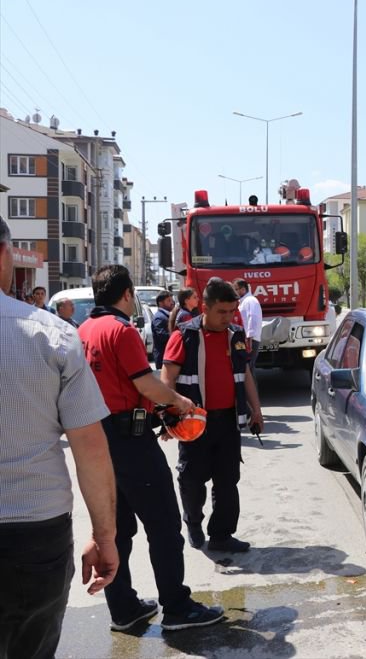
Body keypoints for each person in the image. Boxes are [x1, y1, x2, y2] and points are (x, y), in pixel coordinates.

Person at [77, 264, 224, 632]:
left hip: (97, 441)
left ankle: (124, 609)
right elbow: (146, 384)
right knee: (163, 525)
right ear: (127, 294)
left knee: (117, 530)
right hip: (131, 443)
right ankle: (176, 606)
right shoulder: (121, 330)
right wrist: (181, 403)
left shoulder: (82, 331)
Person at [0, 215, 118, 658]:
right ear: (4, 255)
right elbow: (90, 449)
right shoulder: (51, 337)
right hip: (35, 537)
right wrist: (105, 536)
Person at [161, 279, 264, 554]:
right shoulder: (184, 335)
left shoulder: (236, 334)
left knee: (228, 481)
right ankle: (193, 522)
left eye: (232, 311)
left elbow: (247, 376)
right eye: (222, 312)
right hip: (194, 423)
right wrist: (168, 416)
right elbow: (167, 378)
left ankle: (221, 535)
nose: (228, 318)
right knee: (193, 480)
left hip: (228, 422)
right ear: (204, 308)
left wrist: (256, 410)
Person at [233, 279, 263, 372]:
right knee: (246, 369)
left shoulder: (250, 300)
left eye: (236, 289)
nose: (235, 292)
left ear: (243, 289)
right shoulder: (243, 301)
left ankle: (252, 387)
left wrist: (249, 338)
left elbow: (253, 318)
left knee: (248, 369)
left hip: (250, 340)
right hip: (247, 339)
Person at [151, 290, 174, 369]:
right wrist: (177, 336)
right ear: (160, 303)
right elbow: (162, 336)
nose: (172, 303)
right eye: (168, 301)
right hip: (162, 357)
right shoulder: (159, 317)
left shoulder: (167, 315)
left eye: (172, 300)